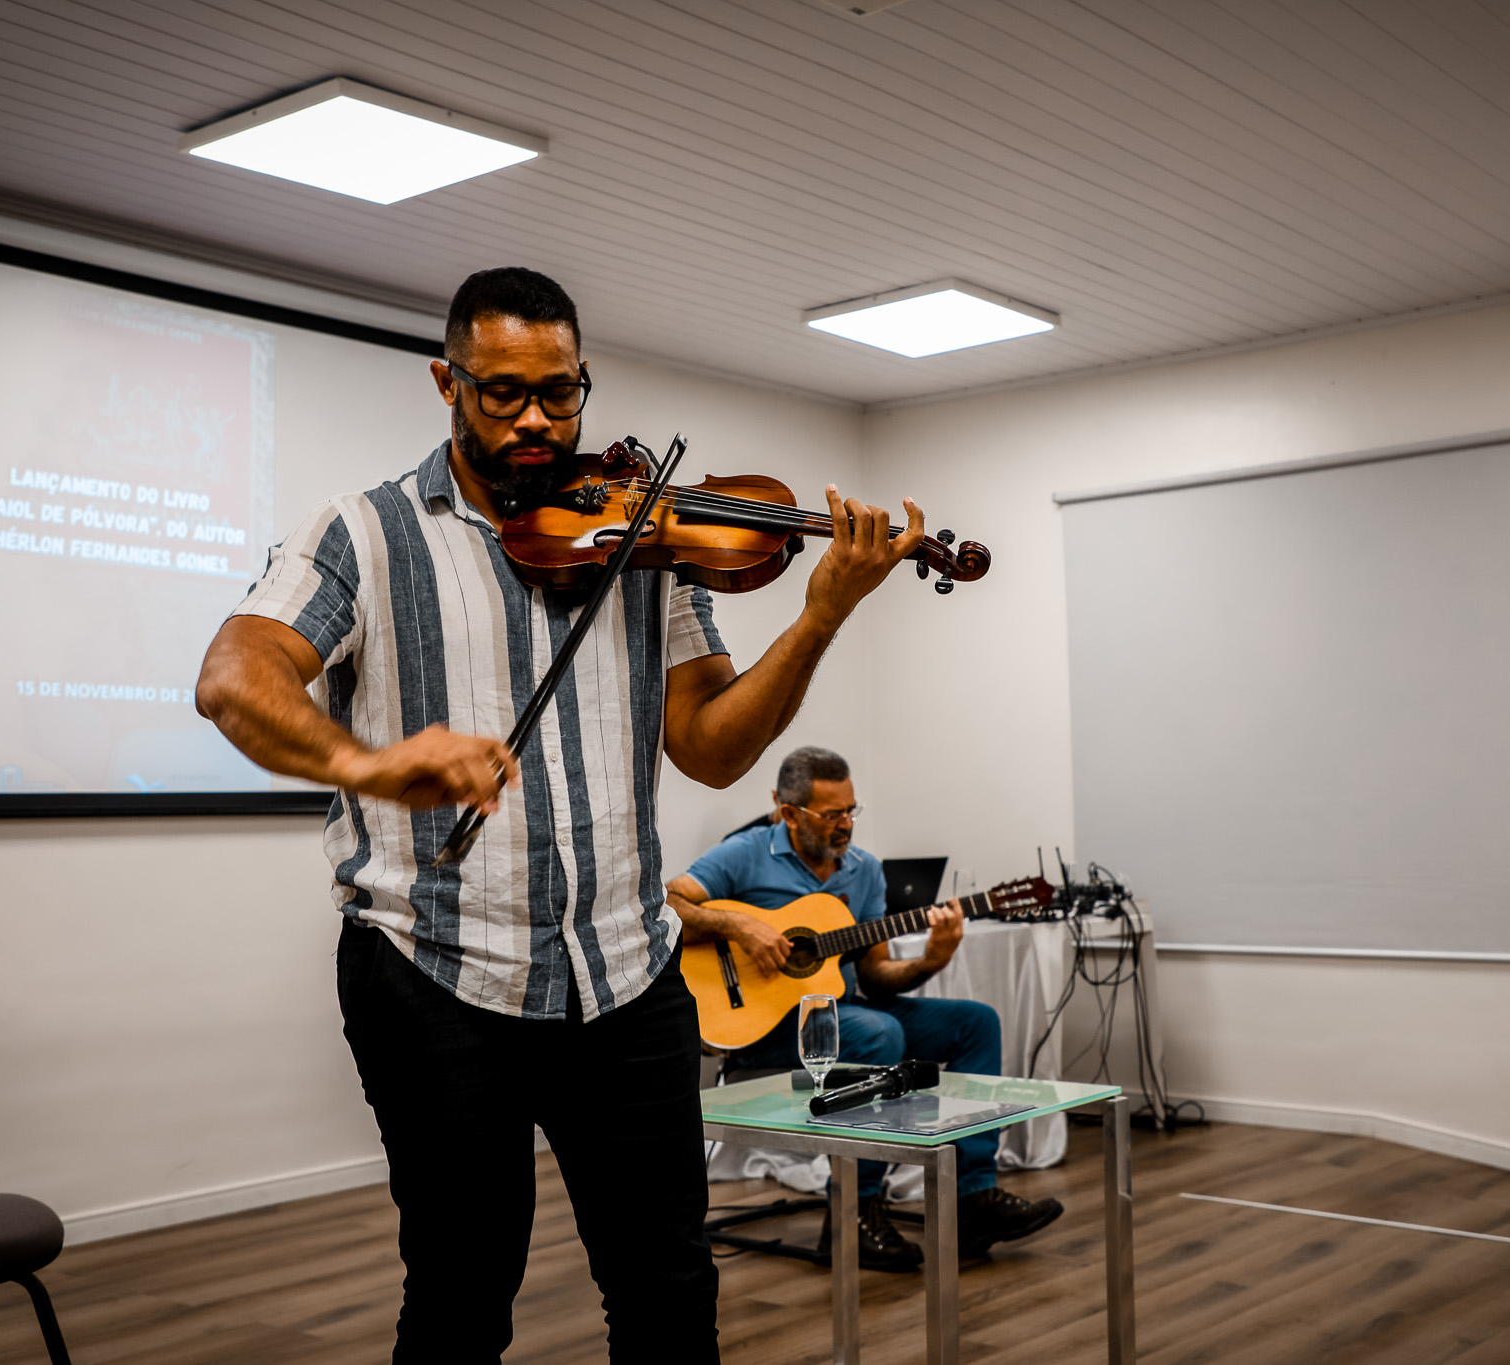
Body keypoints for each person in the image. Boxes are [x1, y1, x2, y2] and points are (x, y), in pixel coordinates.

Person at [193, 267, 929, 1363]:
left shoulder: (645, 536)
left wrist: (819, 617)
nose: (535, 421)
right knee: (460, 1294)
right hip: (435, 971)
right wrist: (371, 762)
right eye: (503, 394)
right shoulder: (362, 534)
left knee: (670, 1292)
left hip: (626, 973)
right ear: (447, 382)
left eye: (559, 393)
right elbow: (233, 679)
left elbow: (711, 746)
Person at [667, 746, 1064, 1273]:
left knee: (975, 1023)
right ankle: (854, 1213)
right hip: (761, 1026)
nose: (846, 825)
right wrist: (741, 926)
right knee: (878, 1033)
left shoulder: (864, 870)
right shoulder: (743, 853)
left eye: (851, 811)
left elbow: (876, 976)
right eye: (831, 814)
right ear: (788, 813)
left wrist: (931, 960)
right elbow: (668, 903)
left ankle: (972, 1199)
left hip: (846, 1014)